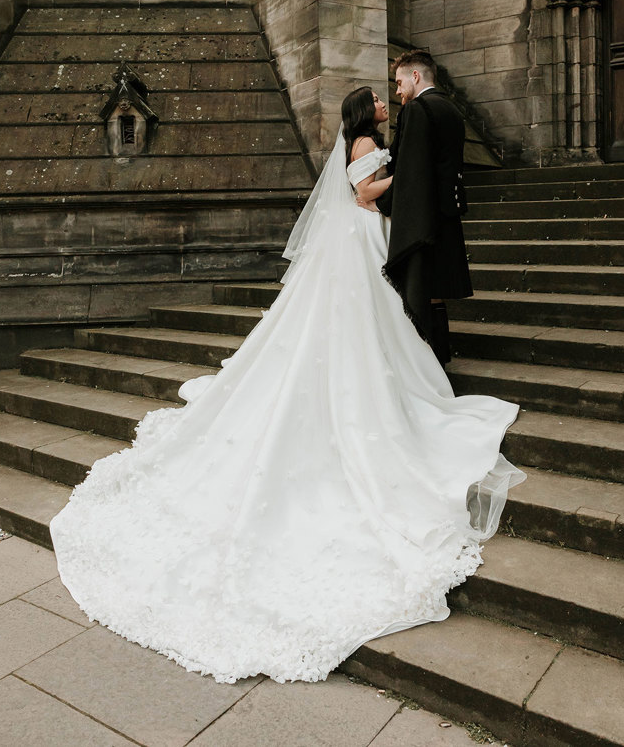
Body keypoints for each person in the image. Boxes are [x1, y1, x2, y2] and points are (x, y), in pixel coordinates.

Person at [50, 87, 525, 686]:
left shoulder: (367, 139)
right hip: (360, 234)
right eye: (378, 99)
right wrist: (397, 181)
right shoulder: (367, 142)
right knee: (361, 326)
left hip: (355, 240)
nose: (384, 101)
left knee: (357, 327)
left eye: (386, 96)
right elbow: (362, 194)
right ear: (365, 112)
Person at [374, 50, 472, 365]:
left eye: (400, 83)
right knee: (435, 291)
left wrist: (381, 204)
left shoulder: (418, 109)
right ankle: (440, 361)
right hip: (447, 213)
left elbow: (409, 171)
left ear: (416, 76)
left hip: (422, 218)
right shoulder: (452, 110)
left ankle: (426, 367)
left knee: (420, 291)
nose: (398, 91)